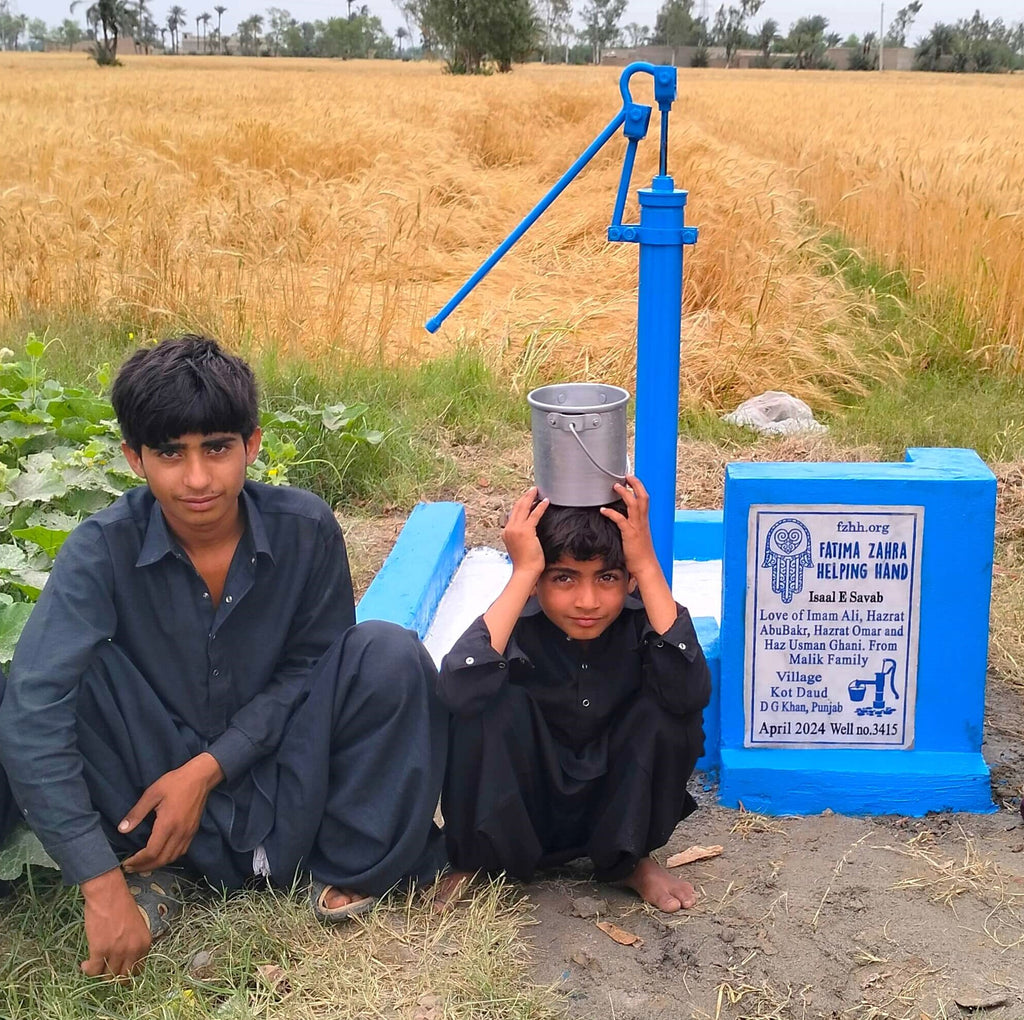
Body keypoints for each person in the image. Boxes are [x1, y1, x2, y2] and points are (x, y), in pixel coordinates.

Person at [0, 335, 447, 979]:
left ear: (252, 445)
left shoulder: (305, 528)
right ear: (134, 459)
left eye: (216, 448)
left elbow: (312, 670)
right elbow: (32, 715)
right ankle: (161, 876)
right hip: (149, 799)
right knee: (65, 676)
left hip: (286, 778)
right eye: (170, 454)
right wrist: (98, 884)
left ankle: (347, 865)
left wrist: (208, 769)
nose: (198, 478)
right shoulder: (99, 551)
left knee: (386, 651)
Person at [436, 477, 711, 912]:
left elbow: (690, 693)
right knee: (484, 697)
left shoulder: (646, 624)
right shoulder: (513, 625)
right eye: (564, 578)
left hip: (612, 806)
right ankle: (481, 861)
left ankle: (629, 861)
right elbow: (457, 690)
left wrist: (647, 563)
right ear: (538, 580)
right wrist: (522, 572)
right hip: (527, 810)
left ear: (629, 580)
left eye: (607, 578)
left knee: (670, 706)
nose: (588, 600)